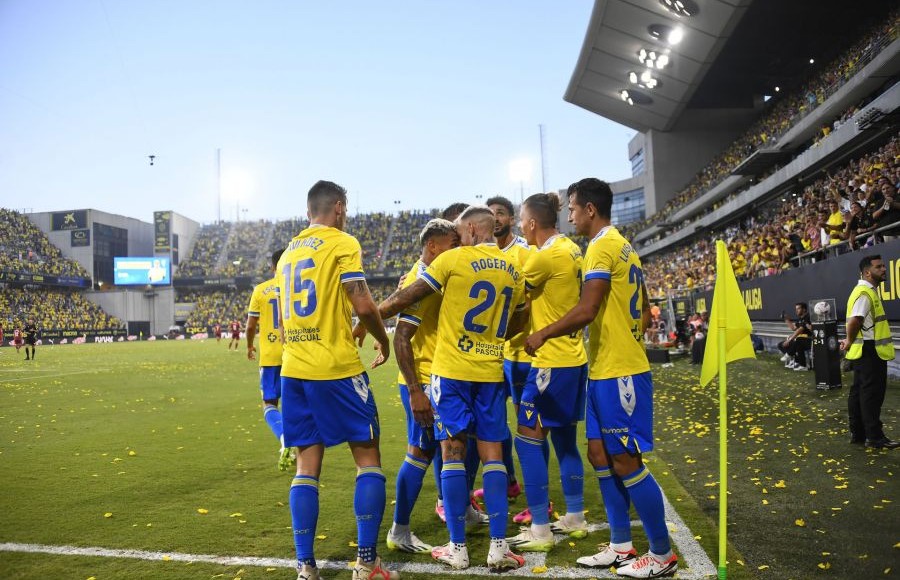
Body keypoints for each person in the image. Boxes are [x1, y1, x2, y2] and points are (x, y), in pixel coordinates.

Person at [525, 178, 678, 578]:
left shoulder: (601, 246)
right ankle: (622, 545)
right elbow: (644, 310)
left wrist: (543, 332)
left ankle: (661, 555)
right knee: (599, 454)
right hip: (604, 369)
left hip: (621, 373)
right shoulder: (621, 245)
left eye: (573, 208)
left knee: (626, 459)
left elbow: (588, 308)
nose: (569, 215)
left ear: (590, 209)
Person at [369, 205, 528, 571]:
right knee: (491, 455)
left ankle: (457, 547)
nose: (458, 239)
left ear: (471, 229)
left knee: (451, 453)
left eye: (460, 232)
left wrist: (367, 319)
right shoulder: (513, 268)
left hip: (449, 373)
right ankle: (499, 548)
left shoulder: (451, 263)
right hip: (488, 371)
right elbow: (522, 315)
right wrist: (492, 337)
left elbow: (402, 300)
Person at [277, 180, 399, 580]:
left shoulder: (288, 253)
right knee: (368, 458)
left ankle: (305, 566)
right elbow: (362, 302)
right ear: (340, 207)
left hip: (293, 371)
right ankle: (366, 564)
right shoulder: (342, 242)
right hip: (335, 369)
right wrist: (384, 339)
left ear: (308, 209)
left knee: (306, 466)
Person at [504, 193, 589, 552]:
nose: (521, 226)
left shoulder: (543, 257)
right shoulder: (571, 249)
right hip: (573, 358)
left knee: (526, 436)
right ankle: (575, 516)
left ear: (533, 223)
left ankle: (540, 527)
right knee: (566, 440)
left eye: (522, 220)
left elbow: (509, 294)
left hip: (550, 362)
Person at [386, 219, 459, 554]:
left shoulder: (438, 275)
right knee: (420, 451)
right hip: (423, 380)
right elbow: (402, 337)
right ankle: (399, 530)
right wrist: (416, 391)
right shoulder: (421, 279)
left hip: (438, 376)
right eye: (451, 244)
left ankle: (462, 510)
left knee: (448, 447)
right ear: (433, 246)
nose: (455, 250)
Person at [483, 196, 527, 513]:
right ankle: (509, 479)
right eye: (490, 214)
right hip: (495, 358)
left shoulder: (524, 253)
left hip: (526, 353)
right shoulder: (481, 255)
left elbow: (531, 305)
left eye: (500, 213)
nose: (495, 218)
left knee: (530, 429)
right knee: (497, 424)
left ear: (511, 219)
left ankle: (540, 495)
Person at [839, 255, 898, 449]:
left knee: (859, 392)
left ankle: (858, 433)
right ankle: (874, 437)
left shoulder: (863, 291)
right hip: (870, 351)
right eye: (879, 267)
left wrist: (850, 341)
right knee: (871, 394)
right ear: (867, 272)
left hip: (863, 351)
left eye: (883, 266)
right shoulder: (865, 292)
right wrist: (849, 340)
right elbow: (855, 320)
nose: (883, 269)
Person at [247, 248, 293, 471]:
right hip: (294, 354)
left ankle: (284, 437)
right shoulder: (293, 286)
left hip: (270, 357)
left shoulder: (260, 290)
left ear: (272, 266)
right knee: (295, 403)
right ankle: (305, 447)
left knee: (269, 404)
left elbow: (250, 326)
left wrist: (248, 346)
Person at [778, 303, 812, 370]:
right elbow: (793, 328)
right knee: (780, 344)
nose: (796, 310)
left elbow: (799, 330)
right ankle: (795, 360)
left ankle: (802, 365)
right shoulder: (800, 319)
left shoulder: (808, 317)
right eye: (796, 309)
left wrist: (790, 340)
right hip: (801, 340)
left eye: (798, 308)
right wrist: (786, 319)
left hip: (810, 340)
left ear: (804, 309)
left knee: (797, 341)